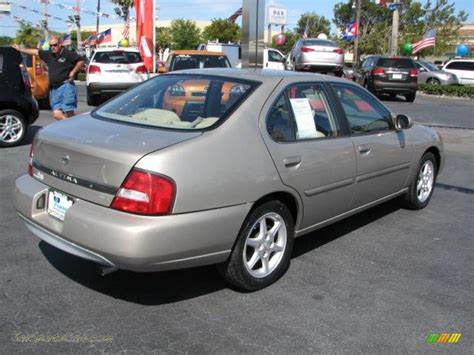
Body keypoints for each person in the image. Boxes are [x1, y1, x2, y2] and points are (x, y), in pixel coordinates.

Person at [12, 36, 84, 120]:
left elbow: (81, 60)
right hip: (54, 88)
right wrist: (20, 49)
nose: (53, 47)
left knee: (69, 112)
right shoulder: (49, 54)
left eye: (55, 45)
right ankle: (71, 125)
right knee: (56, 114)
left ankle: (71, 128)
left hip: (66, 86)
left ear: (60, 44)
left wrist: (73, 72)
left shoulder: (68, 54)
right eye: (51, 45)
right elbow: (36, 52)